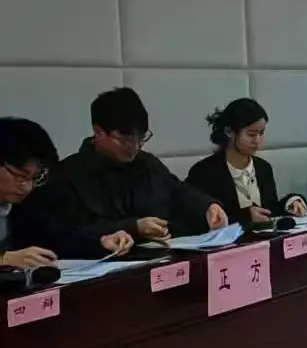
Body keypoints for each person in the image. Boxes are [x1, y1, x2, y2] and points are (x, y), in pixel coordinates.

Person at [12, 89, 224, 258]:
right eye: (125, 140)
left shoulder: (148, 164)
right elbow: (65, 234)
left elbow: (178, 191)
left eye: (141, 138)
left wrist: (207, 206)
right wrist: (133, 227)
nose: (134, 147)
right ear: (98, 132)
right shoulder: (67, 175)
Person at [3, 117, 134, 267]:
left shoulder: (30, 199)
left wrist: (101, 242)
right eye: (20, 175)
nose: (27, 187)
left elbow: (57, 238)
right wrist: (4, 259)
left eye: (35, 178)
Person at [186, 99, 307, 230]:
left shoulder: (263, 168)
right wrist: (245, 216)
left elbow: (269, 210)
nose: (257, 140)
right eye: (251, 134)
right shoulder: (204, 171)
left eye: (261, 133)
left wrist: (291, 202)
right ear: (229, 131)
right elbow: (197, 219)